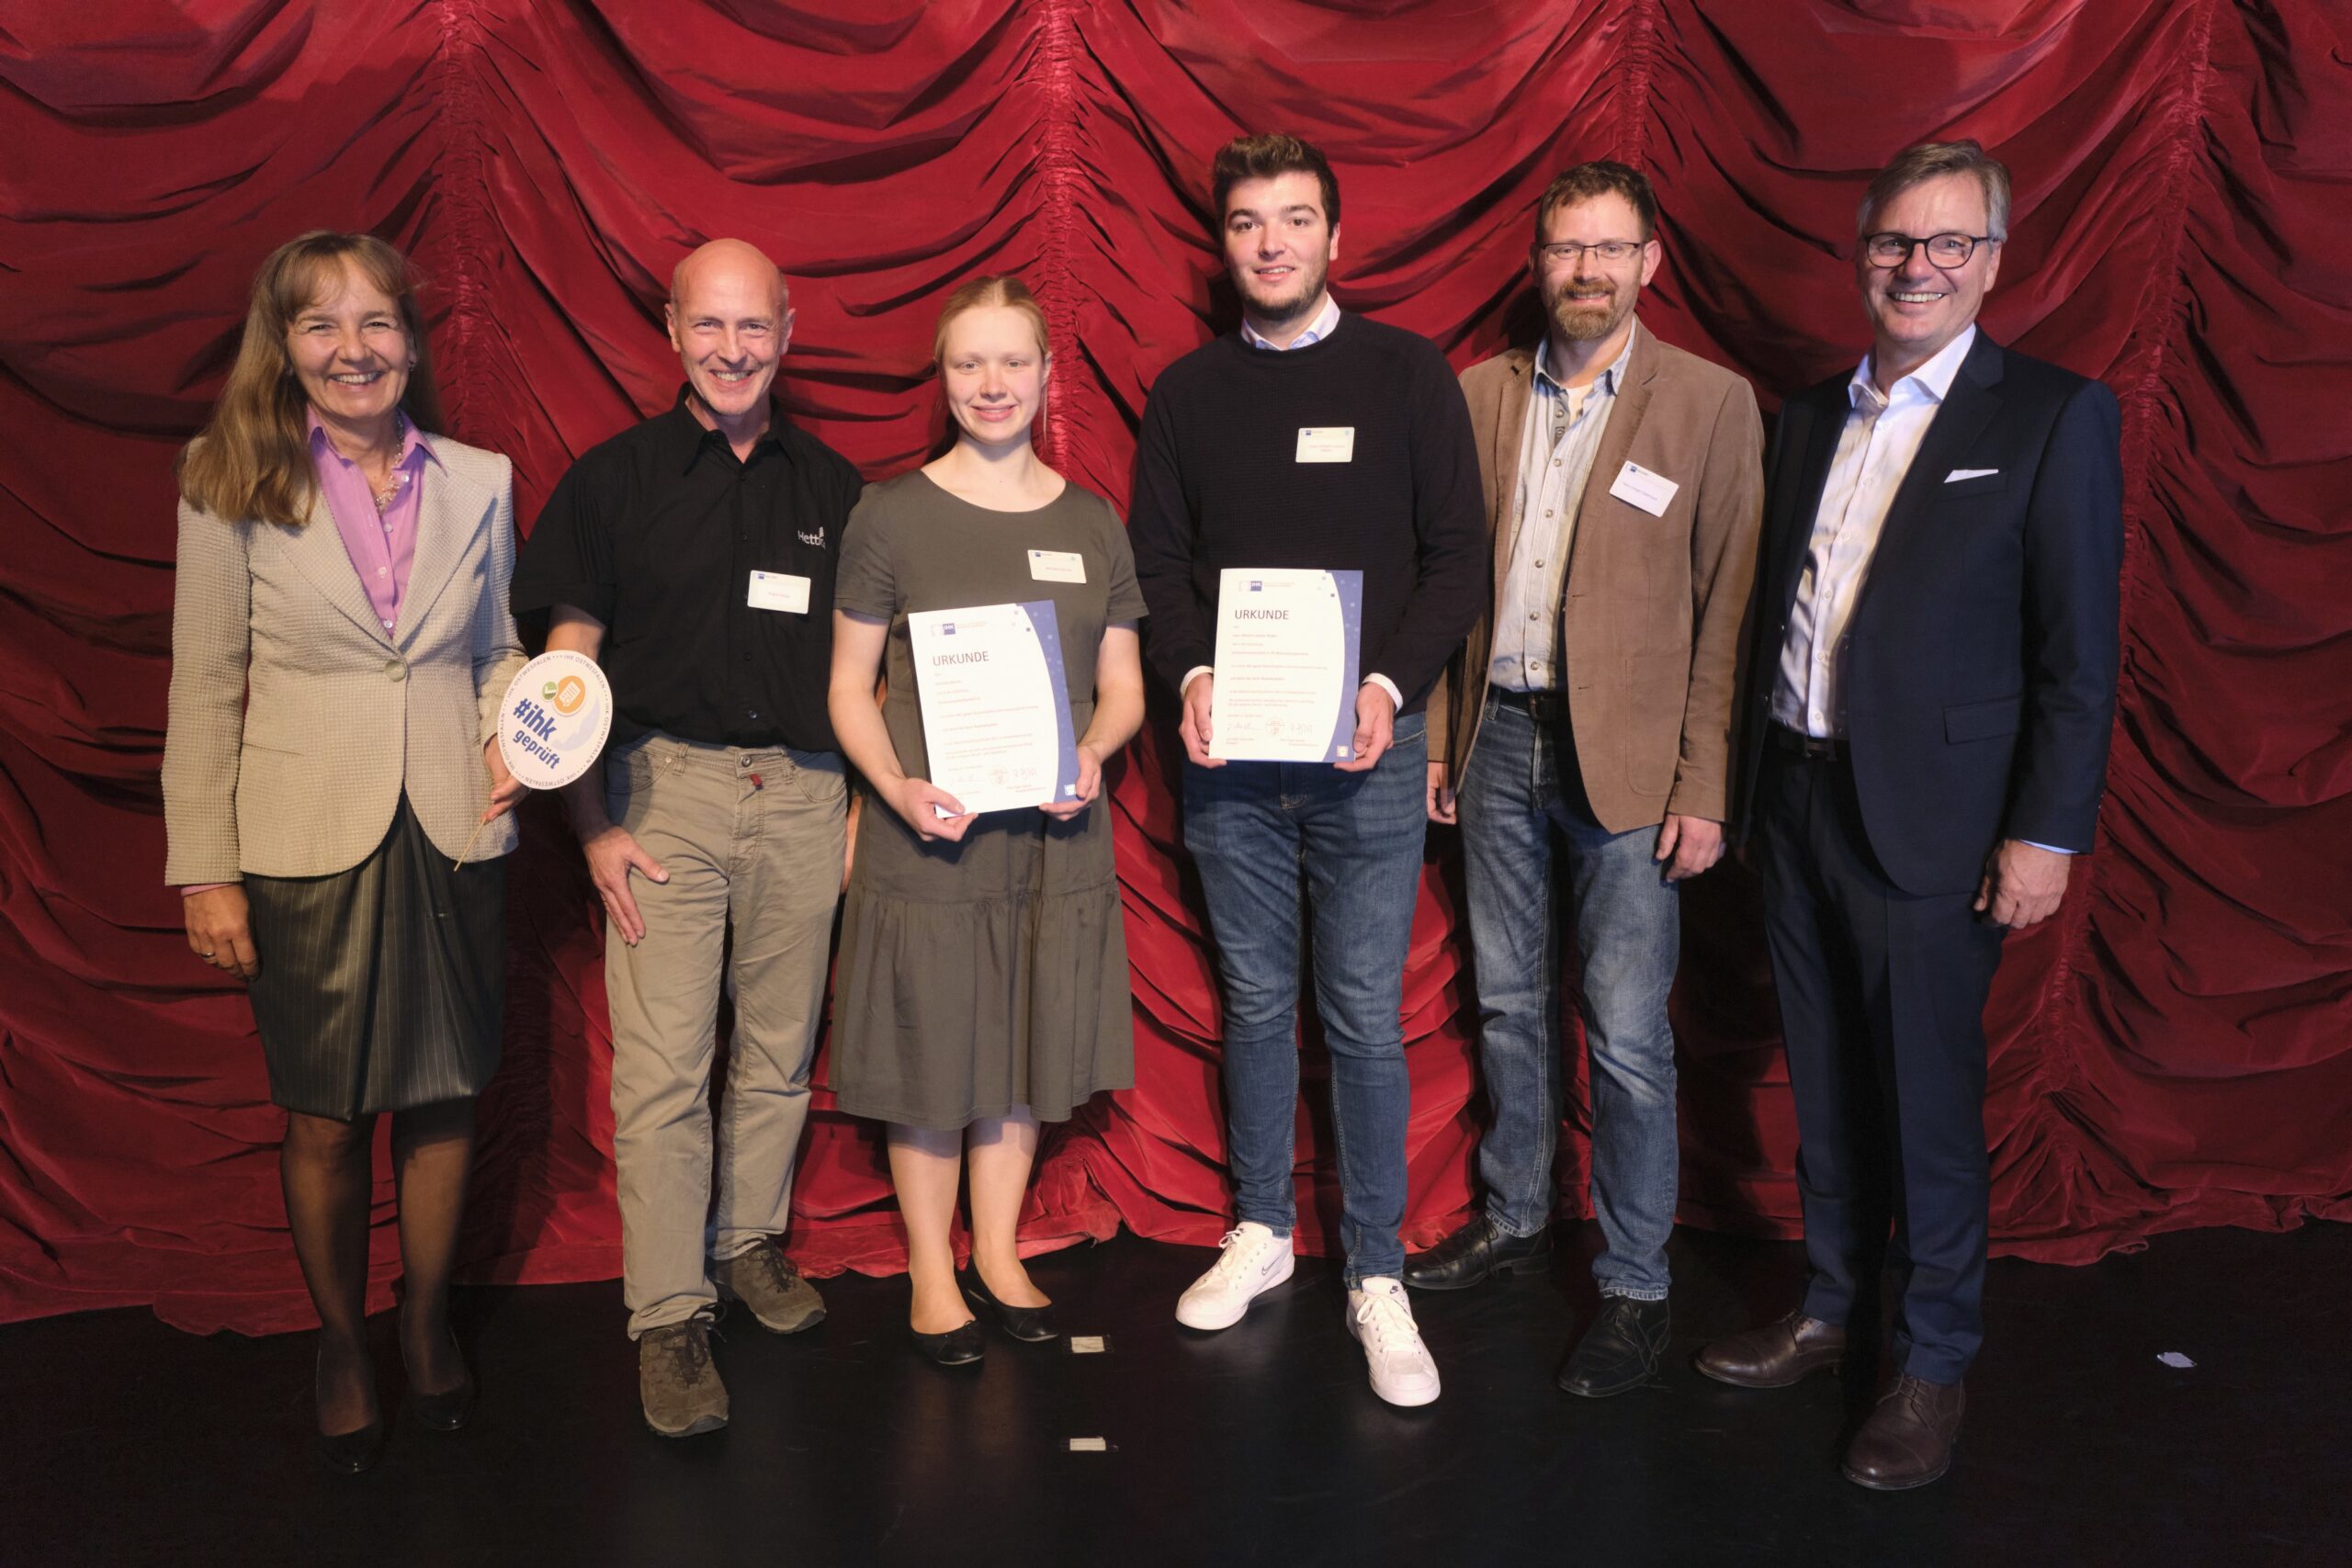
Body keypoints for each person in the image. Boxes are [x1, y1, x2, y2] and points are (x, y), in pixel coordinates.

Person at [1698, 141, 2122, 1489]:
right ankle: (1831, 1309)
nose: (1917, 266)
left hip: (1938, 825)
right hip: (1796, 797)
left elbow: (2077, 654)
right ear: (1861, 254)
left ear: (1992, 262)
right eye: (1894, 241)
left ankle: (1932, 1360)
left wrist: (2046, 833)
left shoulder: (2050, 415)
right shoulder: (1807, 415)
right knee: (1824, 1082)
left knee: (1926, 1101)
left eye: (1948, 243)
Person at [1127, 133, 1487, 1407]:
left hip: (1365, 759)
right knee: (1255, 1001)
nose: (1270, 242)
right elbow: (1156, 564)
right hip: (1231, 762)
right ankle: (1265, 1228)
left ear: (1336, 235)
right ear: (1223, 243)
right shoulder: (1186, 392)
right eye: (1245, 222)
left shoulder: (1405, 374)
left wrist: (1387, 687)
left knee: (1363, 1012)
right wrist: (1190, 674)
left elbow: (1458, 558)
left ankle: (1376, 1271)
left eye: (1292, 219)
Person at [163, 231, 527, 1472]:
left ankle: (423, 1320)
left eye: (377, 321)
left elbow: (495, 651)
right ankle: (339, 1338)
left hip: (454, 828)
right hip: (303, 841)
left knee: (444, 1095)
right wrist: (206, 867)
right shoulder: (227, 478)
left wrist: (517, 726)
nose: (352, 348)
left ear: (411, 343)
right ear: (286, 345)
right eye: (321, 323)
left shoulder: (482, 479)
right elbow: (203, 685)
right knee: (324, 1115)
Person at [1408, 162, 1765, 1399]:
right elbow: (1446, 584)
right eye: (1568, 247)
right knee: (1509, 1004)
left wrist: (1704, 784)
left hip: (1634, 763)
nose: (1588, 270)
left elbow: (1728, 610)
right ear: (1537, 261)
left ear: (1649, 262)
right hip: (1498, 739)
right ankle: (1515, 1217)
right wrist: (1442, 737)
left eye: (1612, 248)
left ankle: (1634, 1281)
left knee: (1622, 1032)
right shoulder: (1477, 396)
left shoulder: (1709, 404)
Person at [509, 239, 861, 1438]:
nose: (731, 348)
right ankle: (667, 1314)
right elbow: (567, 667)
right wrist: (591, 825)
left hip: (807, 794)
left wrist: (858, 811)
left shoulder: (838, 491)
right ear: (671, 330)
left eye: (753, 326)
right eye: (708, 325)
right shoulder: (613, 482)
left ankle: (747, 1241)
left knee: (777, 1053)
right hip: (663, 794)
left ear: (787, 332)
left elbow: (872, 669)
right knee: (663, 1075)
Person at [825, 276, 1146, 1365]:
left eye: (1012, 361)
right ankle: (932, 1265)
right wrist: (895, 787)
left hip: (1054, 835)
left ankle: (999, 1250)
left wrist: (1093, 753)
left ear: (1047, 374)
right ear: (943, 376)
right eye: (969, 363)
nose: (992, 383)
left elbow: (1122, 687)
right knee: (932, 1049)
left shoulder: (1091, 521)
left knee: (1024, 1040)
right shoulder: (890, 515)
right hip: (932, 834)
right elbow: (847, 688)